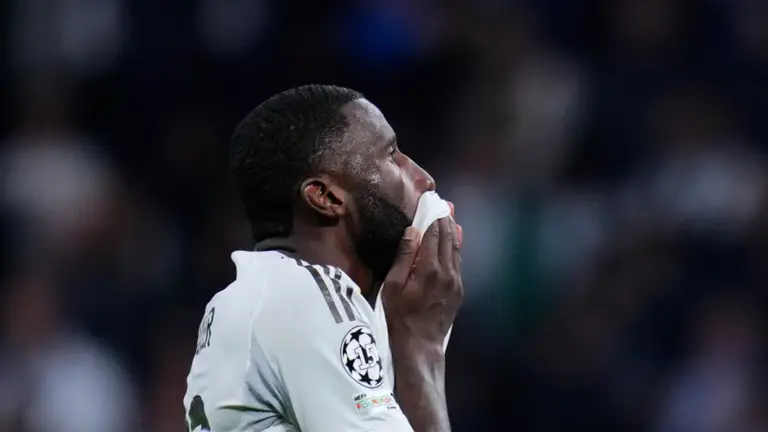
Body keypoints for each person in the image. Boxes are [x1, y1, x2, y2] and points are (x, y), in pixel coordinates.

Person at [183, 85, 463, 432]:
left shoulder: (261, 296)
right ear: (325, 196)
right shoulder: (305, 297)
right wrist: (423, 349)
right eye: (391, 156)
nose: (424, 179)